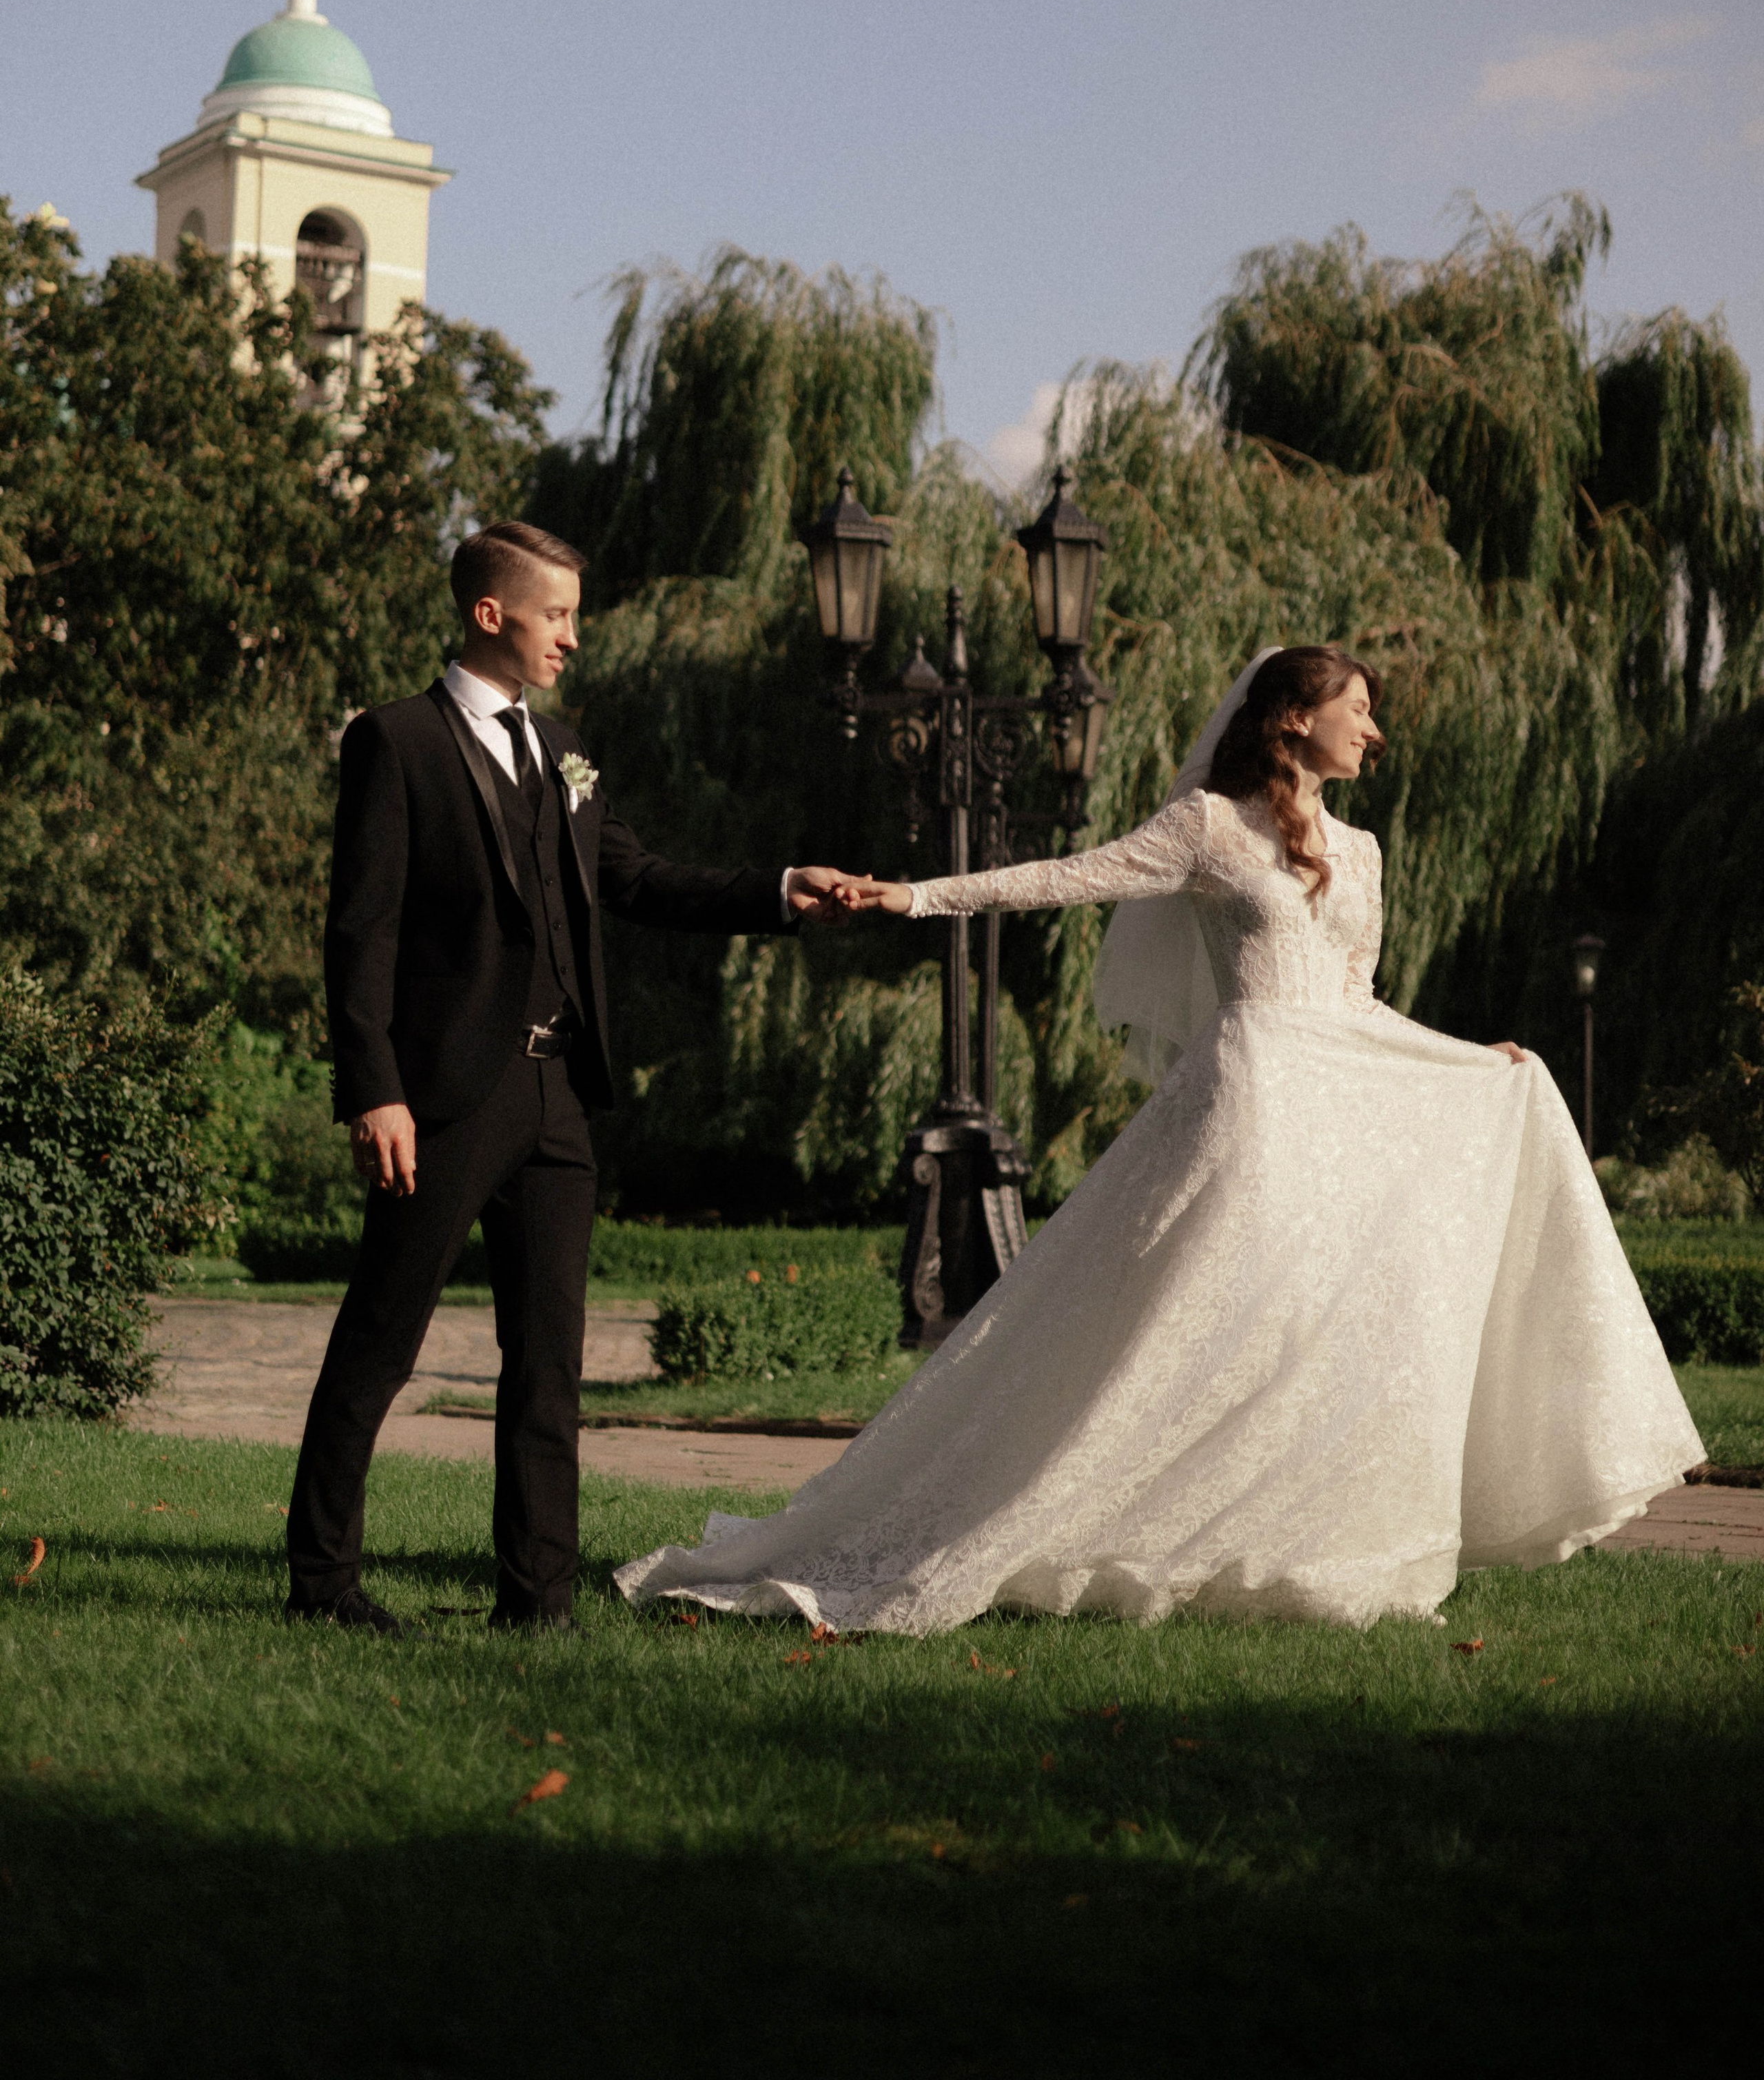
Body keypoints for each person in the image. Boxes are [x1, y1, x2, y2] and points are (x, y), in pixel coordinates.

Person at [617, 645, 1702, 1633]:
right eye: (1357, 710)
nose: (1374, 731)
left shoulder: (1362, 851)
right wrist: (909, 898)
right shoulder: (1208, 828)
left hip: (1340, 1114)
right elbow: (1061, 878)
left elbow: (1356, 1003)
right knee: (1188, 1329)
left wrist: (1472, 1058)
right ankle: (1056, 1522)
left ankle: (1284, 1549)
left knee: (1315, 1337)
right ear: (1290, 721)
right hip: (1251, 1106)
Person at [287, 519, 859, 1634]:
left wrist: (779, 888)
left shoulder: (562, 754)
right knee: (379, 1346)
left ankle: (536, 1601)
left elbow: (637, 878)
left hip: (557, 1101)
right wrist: (374, 1087)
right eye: (558, 616)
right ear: (489, 615)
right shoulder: (396, 743)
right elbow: (361, 932)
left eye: (575, 619)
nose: (574, 639)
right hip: (444, 1096)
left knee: (547, 1364)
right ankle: (322, 1587)